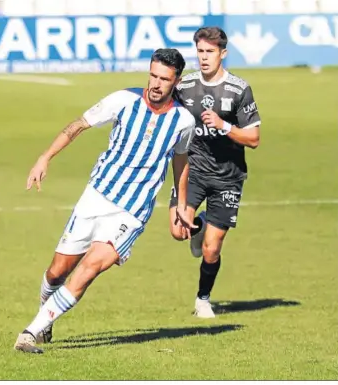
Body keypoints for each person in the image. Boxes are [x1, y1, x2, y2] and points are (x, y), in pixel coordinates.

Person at [14, 48, 197, 354]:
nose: (155, 84)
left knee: (90, 268)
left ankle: (29, 333)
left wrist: (180, 201)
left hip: (133, 211)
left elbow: (181, 160)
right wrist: (44, 157)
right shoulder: (122, 100)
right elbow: (78, 125)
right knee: (57, 271)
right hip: (96, 197)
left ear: (176, 81)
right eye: (152, 75)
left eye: (164, 79)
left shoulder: (183, 121)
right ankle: (45, 315)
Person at [168, 27, 262, 318]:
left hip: (227, 178)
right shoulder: (184, 87)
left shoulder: (238, 89)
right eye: (200, 51)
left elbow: (254, 138)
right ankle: (199, 223)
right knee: (176, 230)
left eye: (210, 52)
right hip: (193, 171)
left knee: (211, 250)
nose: (204, 57)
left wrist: (224, 126)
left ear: (223, 53)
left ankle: (202, 300)